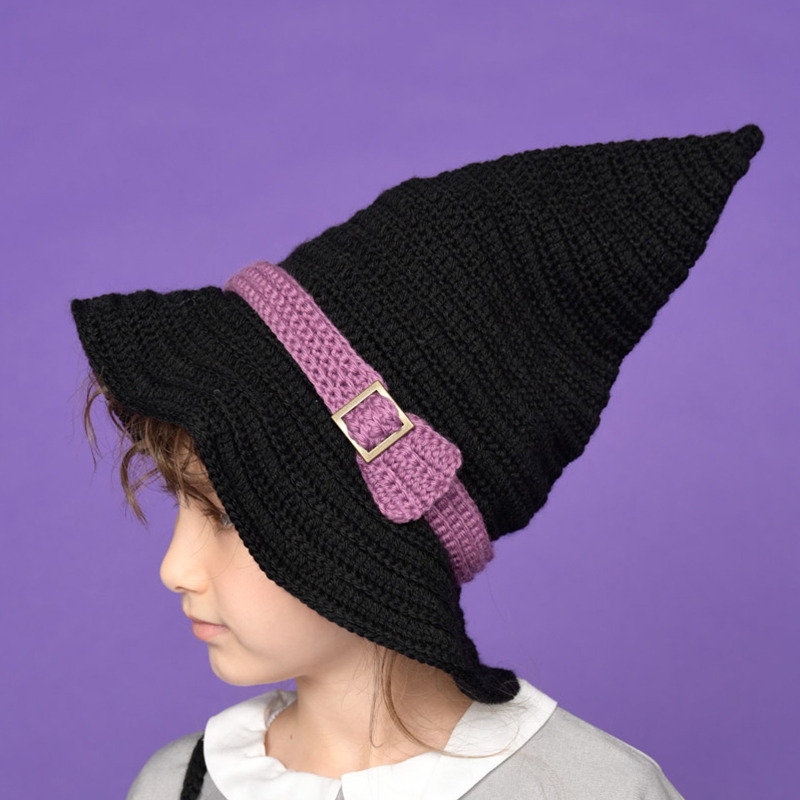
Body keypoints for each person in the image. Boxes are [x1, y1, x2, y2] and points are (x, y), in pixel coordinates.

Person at [70, 123, 763, 800]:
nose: (175, 568)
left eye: (225, 513)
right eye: (180, 502)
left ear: (387, 501)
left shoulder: (596, 792)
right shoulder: (177, 784)